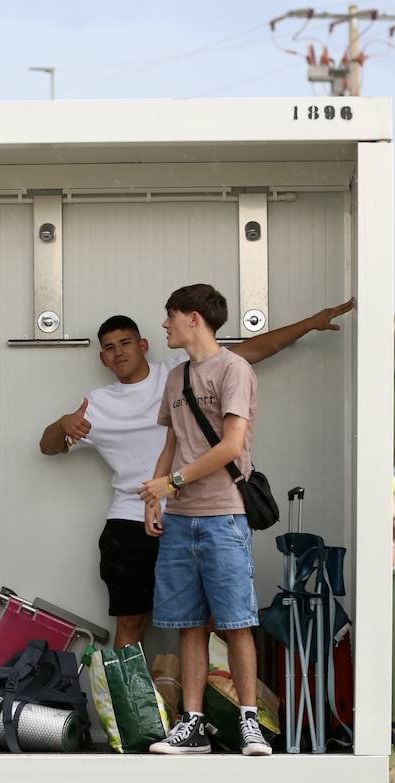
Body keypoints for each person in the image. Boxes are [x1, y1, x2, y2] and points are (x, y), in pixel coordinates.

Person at [38, 300, 354, 648]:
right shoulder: (96, 404)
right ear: (102, 358)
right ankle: (126, 703)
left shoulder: (178, 373)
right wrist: (61, 424)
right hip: (129, 520)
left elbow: (252, 351)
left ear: (143, 345)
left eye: (125, 343)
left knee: (213, 619)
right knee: (131, 619)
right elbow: (48, 446)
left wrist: (309, 322)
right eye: (109, 348)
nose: (118, 353)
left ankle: (203, 701)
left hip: (194, 514)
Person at [136, 283, 270, 756]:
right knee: (188, 624)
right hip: (180, 519)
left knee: (236, 622)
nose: (166, 325)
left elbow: (233, 446)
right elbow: (171, 444)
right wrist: (155, 498)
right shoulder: (176, 379)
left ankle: (248, 720)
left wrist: (170, 484)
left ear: (194, 318)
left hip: (224, 517)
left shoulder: (235, 369)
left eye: (170, 316)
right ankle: (191, 724)